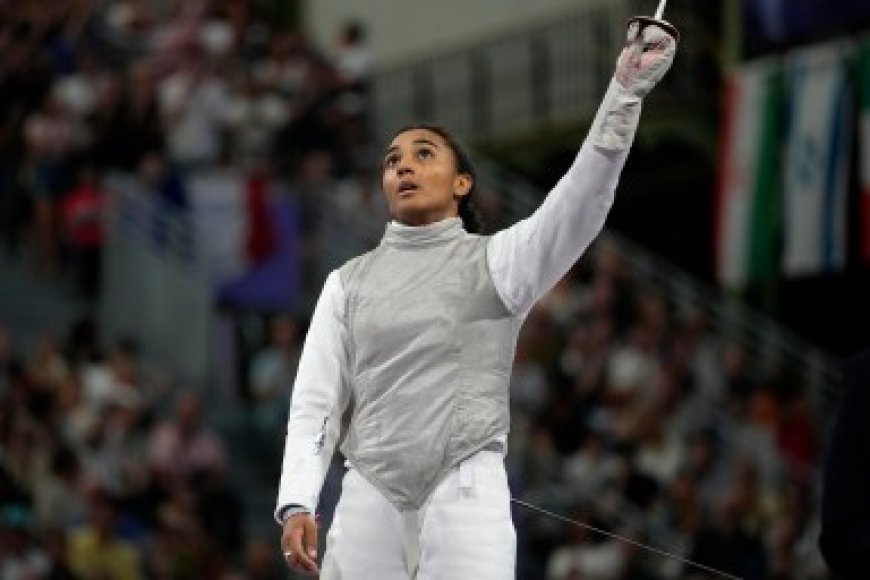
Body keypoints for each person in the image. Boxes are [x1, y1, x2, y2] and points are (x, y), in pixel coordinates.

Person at [276, 20, 677, 579]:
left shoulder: (497, 262)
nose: (404, 166)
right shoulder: (347, 283)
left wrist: (623, 95)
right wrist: (298, 499)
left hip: (464, 490)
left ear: (461, 183)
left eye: (422, 154)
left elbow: (578, 207)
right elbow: (315, 402)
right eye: (393, 161)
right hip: (368, 492)